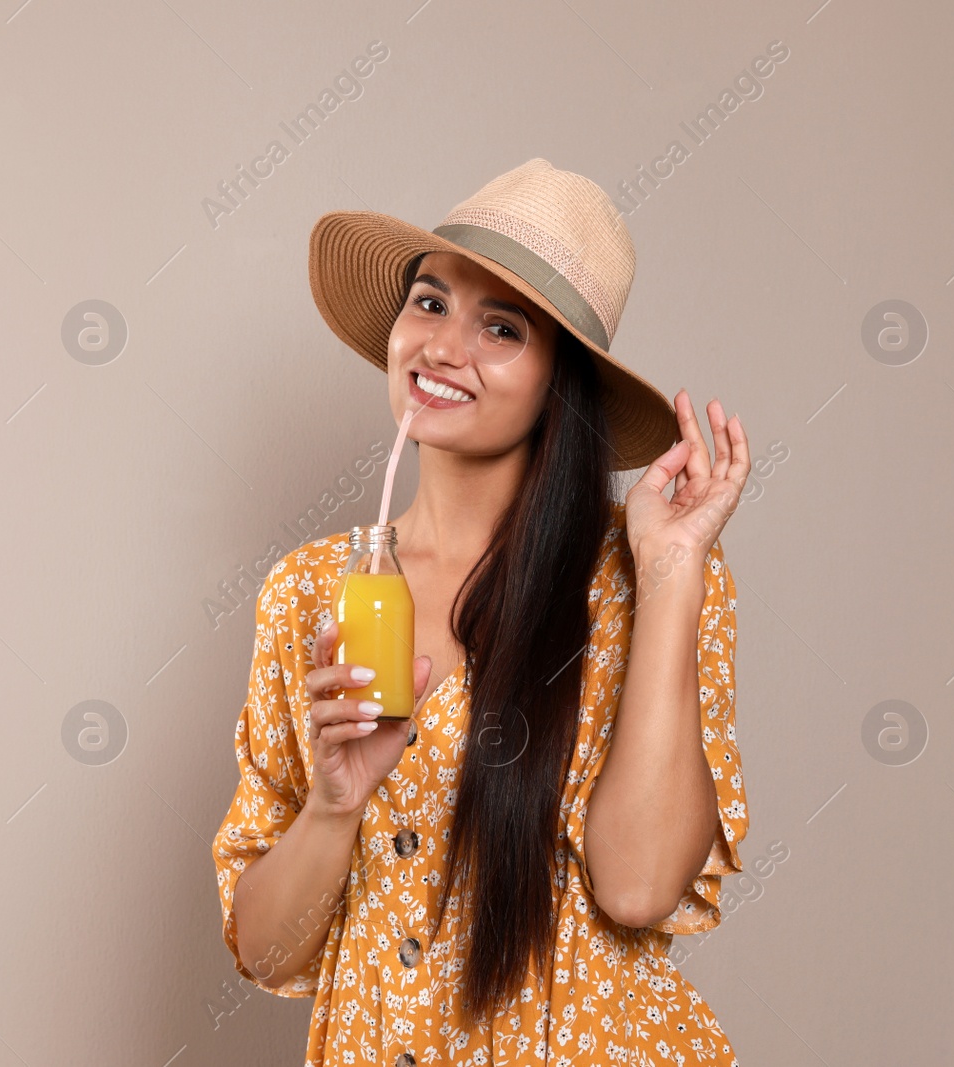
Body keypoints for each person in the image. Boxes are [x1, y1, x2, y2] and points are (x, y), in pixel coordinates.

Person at [212, 158, 751, 1065]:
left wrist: (671, 570)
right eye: (430, 302)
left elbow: (640, 887)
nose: (443, 346)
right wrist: (336, 805)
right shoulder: (310, 591)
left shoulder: (638, 576)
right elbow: (267, 950)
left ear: (559, 380)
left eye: (501, 327)